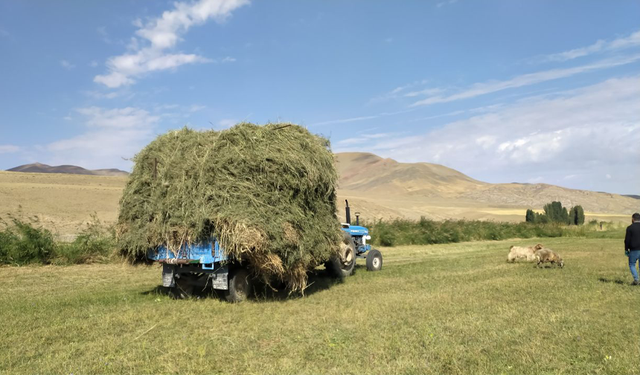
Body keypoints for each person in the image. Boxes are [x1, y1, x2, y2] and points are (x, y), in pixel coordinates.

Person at [624, 213, 640, 285]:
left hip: (634, 250)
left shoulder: (630, 228)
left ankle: (636, 279)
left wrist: (626, 249)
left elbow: (627, 240)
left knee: (632, 264)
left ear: (633, 219)